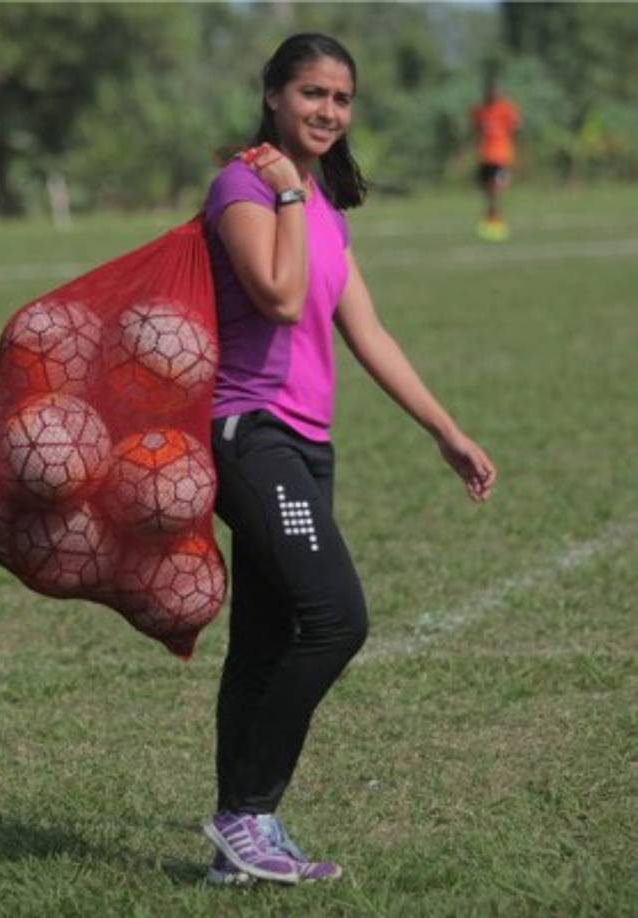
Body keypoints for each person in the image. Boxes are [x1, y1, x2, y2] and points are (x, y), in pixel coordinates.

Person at [201, 33, 497, 886]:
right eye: (310, 94)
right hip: (248, 435)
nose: (327, 111)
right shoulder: (245, 187)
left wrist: (444, 429)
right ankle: (244, 814)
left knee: (263, 640)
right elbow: (280, 295)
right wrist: (288, 194)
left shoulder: (322, 207)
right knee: (336, 618)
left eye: (340, 98)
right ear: (271, 97)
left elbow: (364, 330)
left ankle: (238, 852)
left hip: (306, 444)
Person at [471, 80, 521, 241]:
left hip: (501, 156)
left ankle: (496, 221)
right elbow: (476, 130)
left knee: (496, 190)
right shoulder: (480, 111)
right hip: (485, 155)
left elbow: (516, 127)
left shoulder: (506, 109)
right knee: (487, 190)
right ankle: (490, 219)